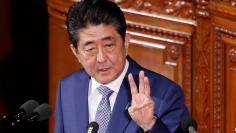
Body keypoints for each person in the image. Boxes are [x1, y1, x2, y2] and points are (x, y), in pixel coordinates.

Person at [54, 0, 189, 133]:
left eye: (109, 46)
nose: (101, 58)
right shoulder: (67, 87)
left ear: (126, 43)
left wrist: (150, 125)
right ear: (76, 52)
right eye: (90, 49)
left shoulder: (165, 94)